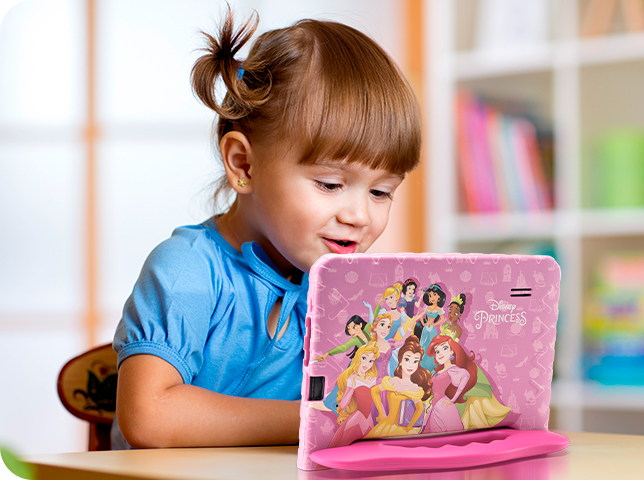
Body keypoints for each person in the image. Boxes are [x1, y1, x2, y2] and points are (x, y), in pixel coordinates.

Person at [111, 7, 421, 449]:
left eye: (381, 192)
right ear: (244, 164)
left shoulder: (340, 289)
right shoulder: (189, 271)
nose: (359, 216)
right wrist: (318, 418)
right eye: (330, 184)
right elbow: (149, 417)